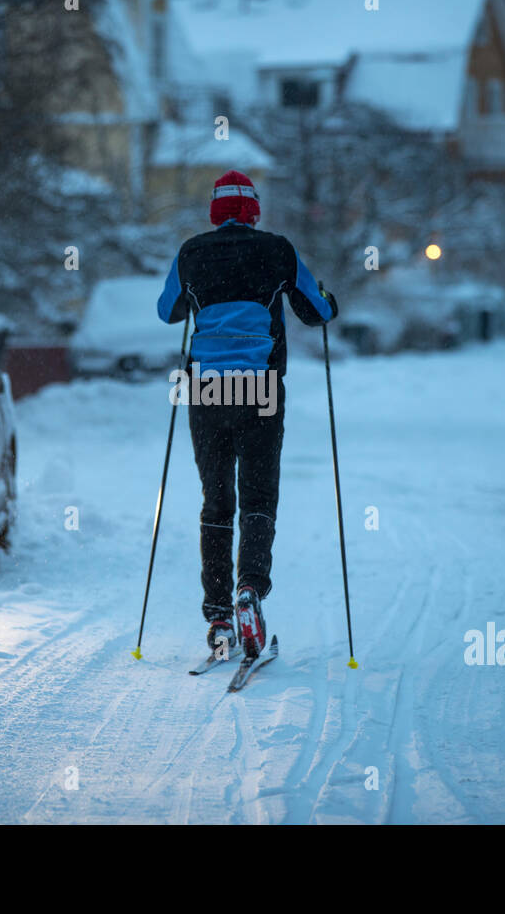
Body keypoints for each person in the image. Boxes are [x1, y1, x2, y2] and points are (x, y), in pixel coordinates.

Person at [156, 169, 338, 659]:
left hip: (207, 391)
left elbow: (167, 311)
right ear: (253, 209)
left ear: (215, 211)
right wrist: (327, 298)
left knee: (216, 503)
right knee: (258, 497)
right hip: (260, 391)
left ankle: (217, 615)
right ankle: (249, 591)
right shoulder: (277, 249)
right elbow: (315, 311)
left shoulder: (191, 252)